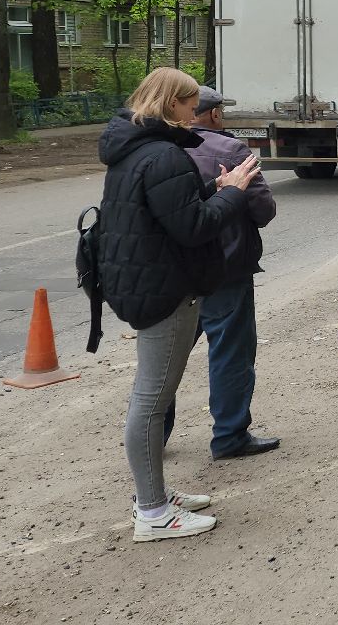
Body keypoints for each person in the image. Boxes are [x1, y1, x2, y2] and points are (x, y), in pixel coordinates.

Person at [97, 67, 261, 542]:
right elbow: (193, 229)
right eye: (192, 106)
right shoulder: (164, 155)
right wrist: (232, 195)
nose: (199, 114)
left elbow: (172, 213)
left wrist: (215, 188)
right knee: (151, 401)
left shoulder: (133, 148)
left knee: (153, 396)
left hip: (147, 281)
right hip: (165, 289)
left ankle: (156, 497)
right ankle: (151, 510)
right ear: (171, 105)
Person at [181, 86, 280, 459]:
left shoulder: (154, 150)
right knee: (229, 352)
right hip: (226, 267)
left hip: (173, 271)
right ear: (215, 115)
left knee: (166, 357)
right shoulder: (231, 151)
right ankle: (229, 435)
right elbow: (263, 210)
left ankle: (152, 435)